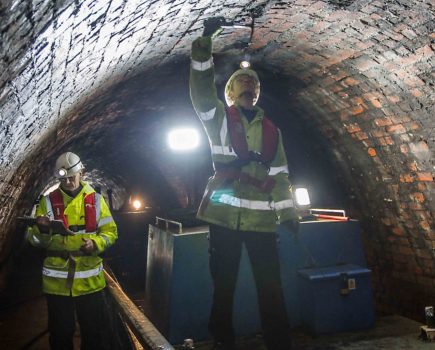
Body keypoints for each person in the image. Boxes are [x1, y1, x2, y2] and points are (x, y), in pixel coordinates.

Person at [189, 20, 299, 350]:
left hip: (263, 223)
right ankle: (224, 342)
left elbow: (280, 176)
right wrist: (205, 42)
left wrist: (288, 213)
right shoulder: (218, 119)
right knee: (224, 286)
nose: (249, 86)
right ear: (231, 93)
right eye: (242, 83)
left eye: (253, 83)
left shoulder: (272, 132)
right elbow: (200, 90)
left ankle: (279, 344)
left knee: (271, 287)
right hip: (224, 220)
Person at [27, 152, 118, 350]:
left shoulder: (96, 200)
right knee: (60, 334)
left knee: (93, 333)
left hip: (89, 281)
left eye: (72, 177)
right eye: (63, 178)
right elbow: (34, 240)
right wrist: (41, 230)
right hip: (57, 283)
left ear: (82, 173)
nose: (68, 182)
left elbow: (110, 233)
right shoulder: (48, 202)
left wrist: (95, 244)